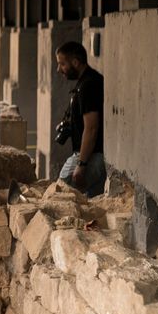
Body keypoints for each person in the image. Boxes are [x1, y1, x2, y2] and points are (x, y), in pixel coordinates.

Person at [55, 41, 106, 197]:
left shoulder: (88, 86)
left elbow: (91, 128)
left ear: (76, 62)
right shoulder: (87, 81)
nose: (59, 69)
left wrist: (81, 165)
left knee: (60, 193)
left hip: (91, 157)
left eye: (62, 64)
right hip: (93, 156)